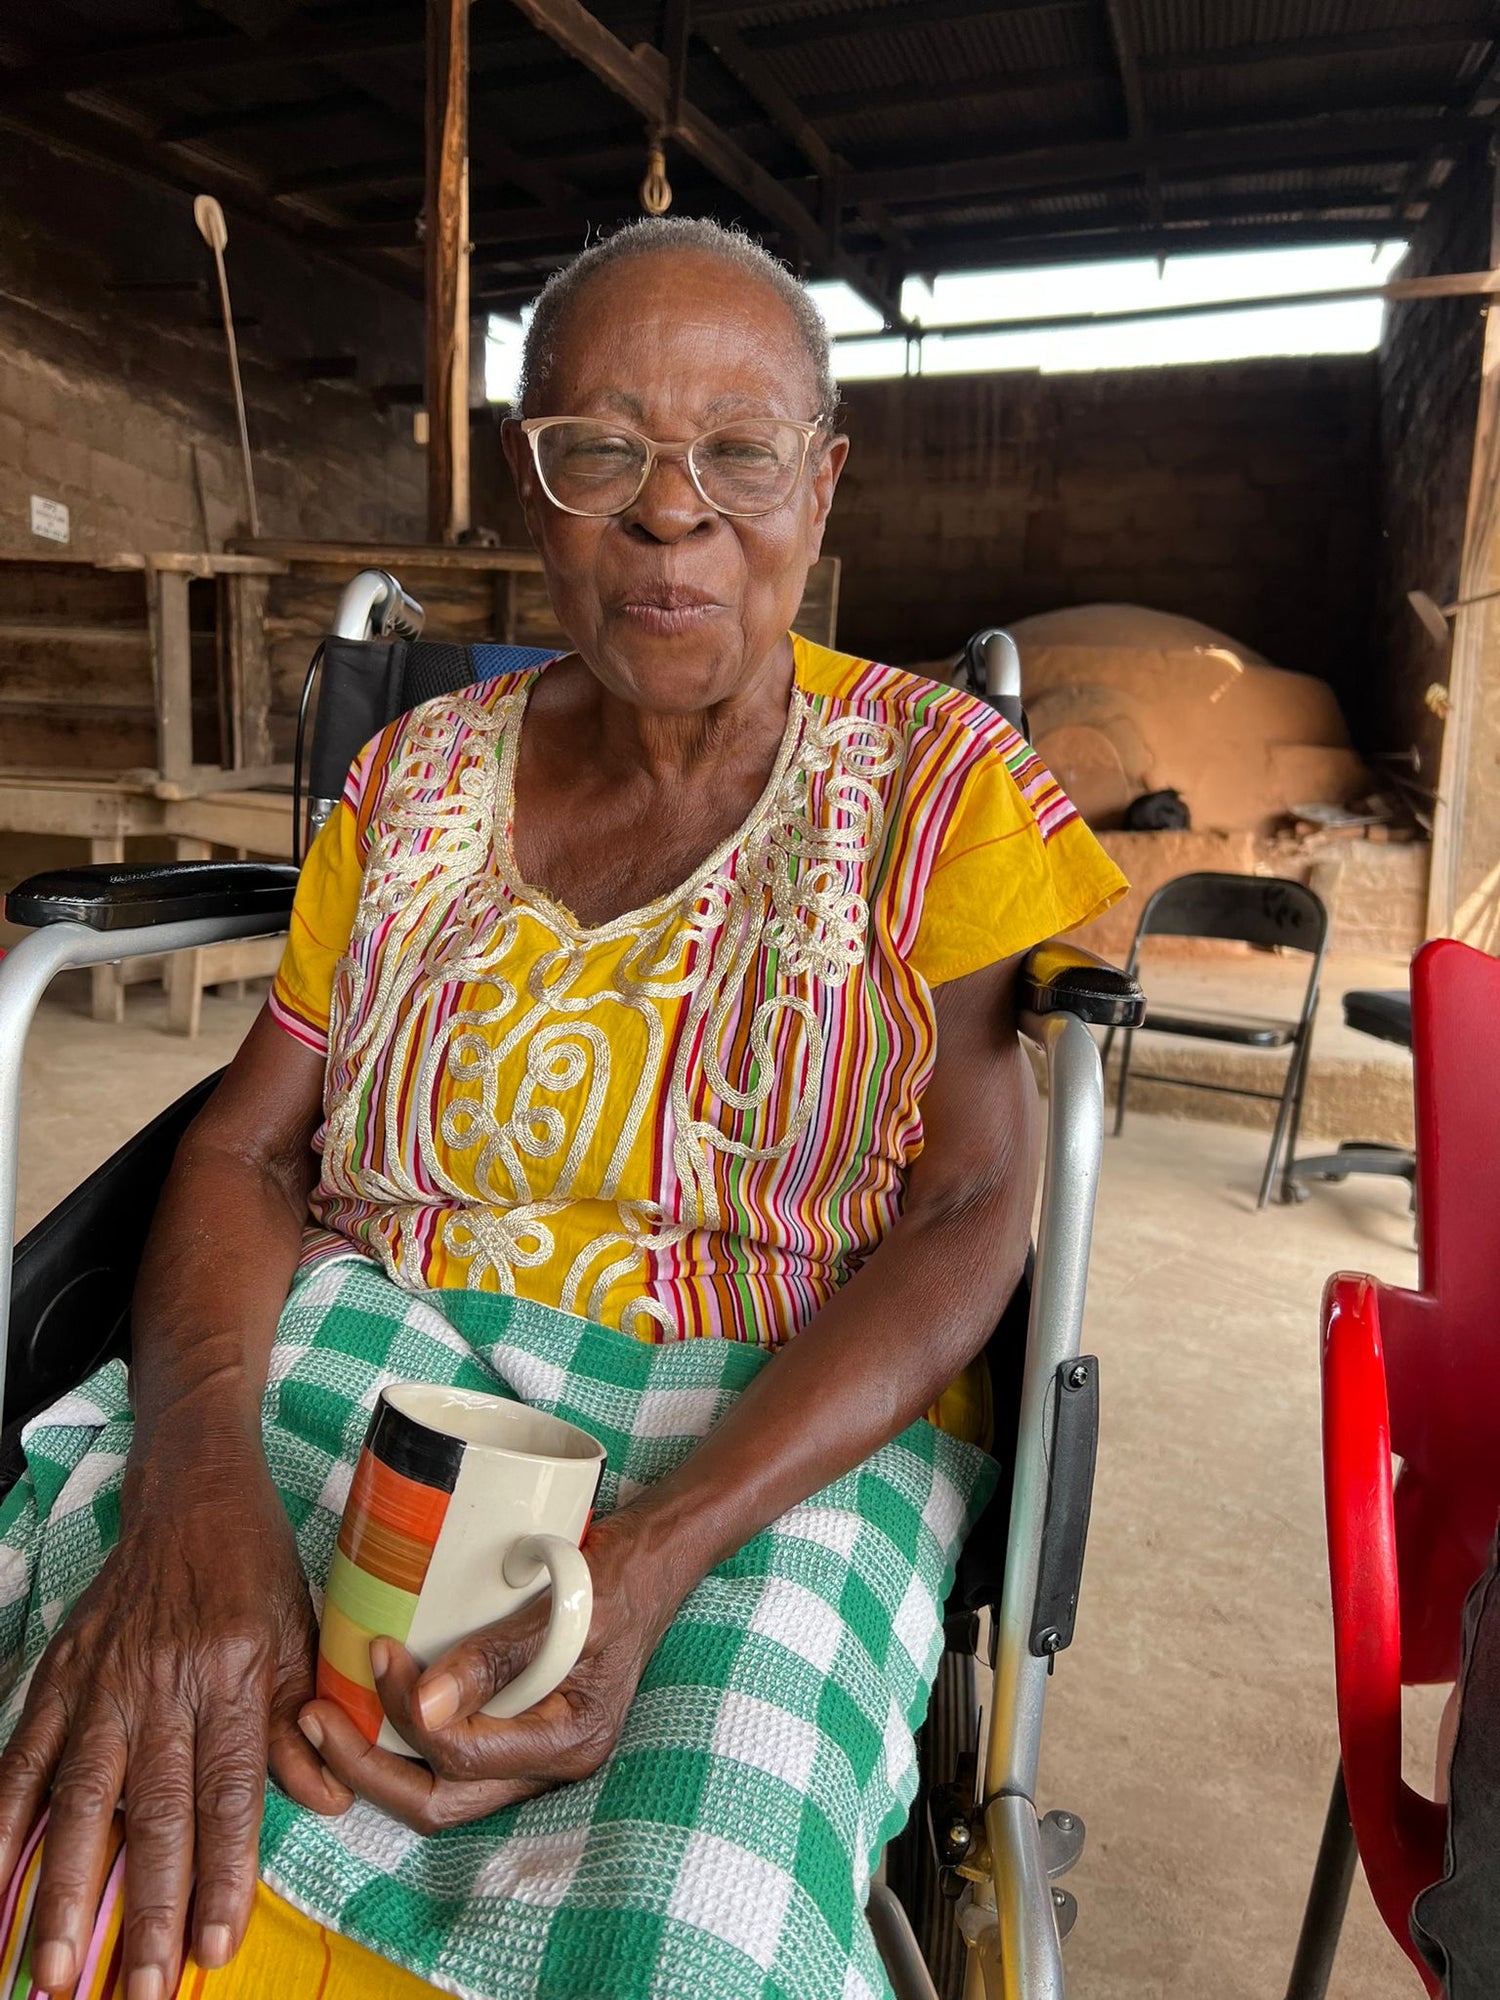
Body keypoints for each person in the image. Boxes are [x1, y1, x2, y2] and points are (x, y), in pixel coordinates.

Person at [0, 217, 1125, 2000]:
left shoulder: (939, 784)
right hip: (362, 1356)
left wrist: (653, 1555)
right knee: (88, 1807)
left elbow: (975, 1211)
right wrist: (193, 1486)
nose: (671, 514)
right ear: (533, 487)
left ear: (823, 483)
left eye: (739, 452)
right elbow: (243, 1148)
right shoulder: (409, 781)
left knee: (693, 1933)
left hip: (766, 1433)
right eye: (601, 451)